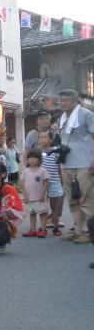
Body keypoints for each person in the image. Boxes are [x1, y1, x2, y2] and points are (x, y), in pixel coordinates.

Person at [55, 89, 94, 244]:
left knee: (86, 198)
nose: (62, 103)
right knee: (72, 199)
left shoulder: (86, 114)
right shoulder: (62, 118)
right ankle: (78, 230)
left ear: (75, 100)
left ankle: (88, 232)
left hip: (84, 162)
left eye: (65, 100)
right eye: (61, 100)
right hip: (66, 163)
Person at [38, 130, 66, 236]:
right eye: (40, 137)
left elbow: (59, 167)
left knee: (54, 207)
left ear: (51, 140)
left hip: (54, 182)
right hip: (41, 184)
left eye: (45, 137)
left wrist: (62, 181)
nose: (42, 139)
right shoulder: (37, 152)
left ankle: (55, 227)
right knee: (42, 208)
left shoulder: (55, 152)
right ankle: (43, 228)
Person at [20, 149, 50, 238]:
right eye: (30, 158)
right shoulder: (25, 171)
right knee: (32, 214)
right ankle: (32, 230)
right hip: (29, 197)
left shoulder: (42, 170)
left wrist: (43, 193)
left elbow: (46, 182)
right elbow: (22, 183)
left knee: (43, 213)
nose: (32, 160)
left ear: (39, 160)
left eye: (35, 158)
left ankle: (43, 229)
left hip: (40, 197)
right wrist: (24, 194)